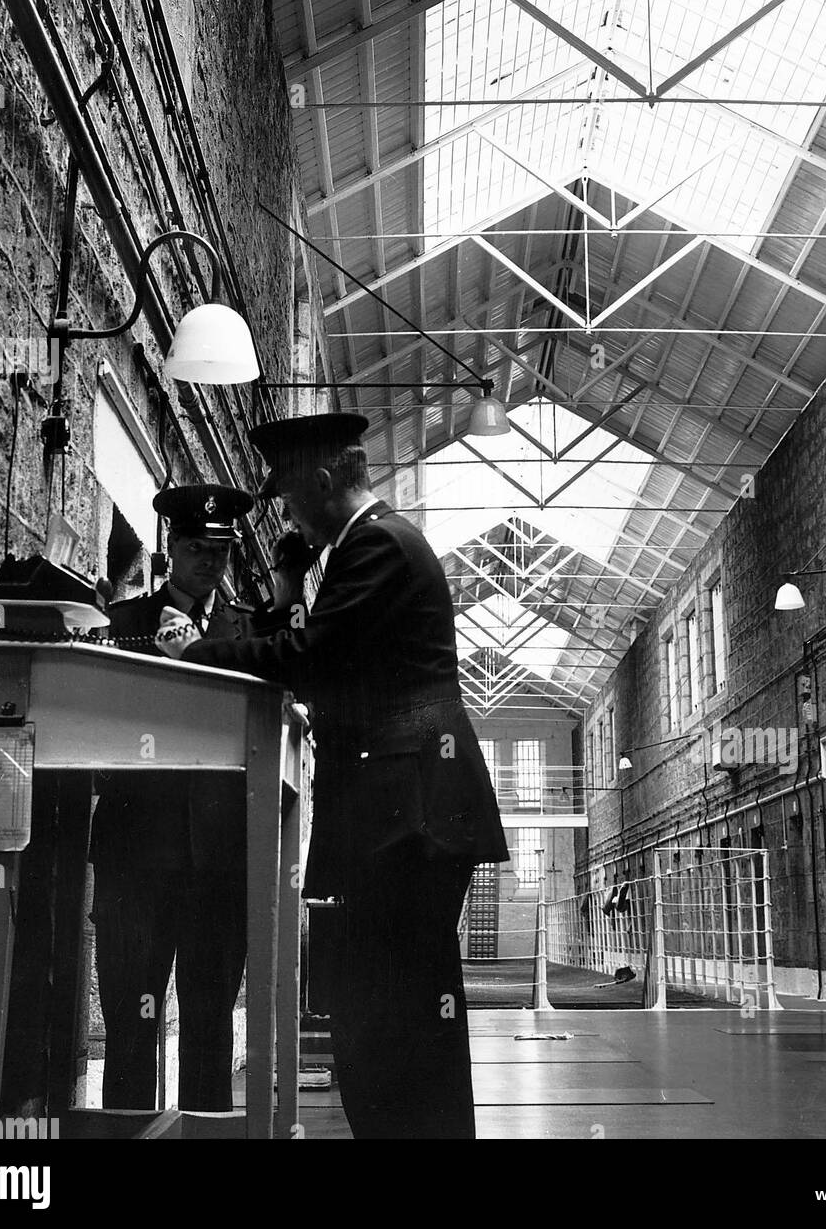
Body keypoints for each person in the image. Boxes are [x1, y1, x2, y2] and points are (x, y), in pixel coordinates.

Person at [156, 413, 509, 1139]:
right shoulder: (371, 546)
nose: (283, 509)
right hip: (399, 814)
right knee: (391, 1017)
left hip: (403, 816)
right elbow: (321, 650)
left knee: (389, 1019)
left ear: (320, 480)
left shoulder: (376, 545)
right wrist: (287, 584)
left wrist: (197, 653)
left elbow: (313, 657)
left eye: (286, 493)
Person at [89, 483, 254, 1112]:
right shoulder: (124, 624)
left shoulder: (249, 630)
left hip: (220, 858)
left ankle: (206, 1131)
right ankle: (126, 1130)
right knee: (131, 1020)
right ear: (172, 548)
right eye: (194, 547)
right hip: (136, 857)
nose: (208, 560)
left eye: (220, 550)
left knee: (211, 1020)